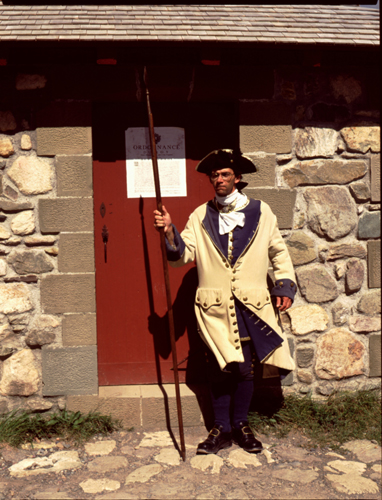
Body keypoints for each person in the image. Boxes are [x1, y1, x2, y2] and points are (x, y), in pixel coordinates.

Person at [154, 149, 296, 455]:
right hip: (213, 307)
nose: (219, 180)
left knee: (245, 370)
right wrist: (169, 231)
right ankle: (220, 429)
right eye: (214, 176)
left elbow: (278, 252)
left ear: (238, 178)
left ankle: (241, 426)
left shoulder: (261, 211)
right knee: (219, 368)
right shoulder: (200, 215)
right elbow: (183, 255)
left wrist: (284, 285)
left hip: (251, 304)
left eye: (225, 175)